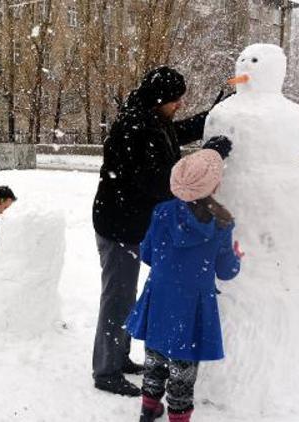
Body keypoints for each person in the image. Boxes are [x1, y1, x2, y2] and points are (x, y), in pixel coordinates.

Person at [91, 65, 233, 396]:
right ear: (159, 100)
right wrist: (210, 157)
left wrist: (211, 115)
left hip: (130, 221)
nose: (179, 105)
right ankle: (106, 370)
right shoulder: (135, 127)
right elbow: (161, 181)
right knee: (118, 297)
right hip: (119, 226)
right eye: (175, 100)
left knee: (125, 295)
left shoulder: (152, 119)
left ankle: (119, 357)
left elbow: (176, 133)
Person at [126, 149, 243, 422]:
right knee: (183, 367)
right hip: (193, 305)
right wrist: (235, 257)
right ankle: (179, 416)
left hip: (160, 298)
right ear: (215, 185)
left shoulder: (162, 213)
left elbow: (147, 255)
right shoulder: (222, 222)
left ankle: (149, 409)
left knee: (154, 357)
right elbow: (226, 272)